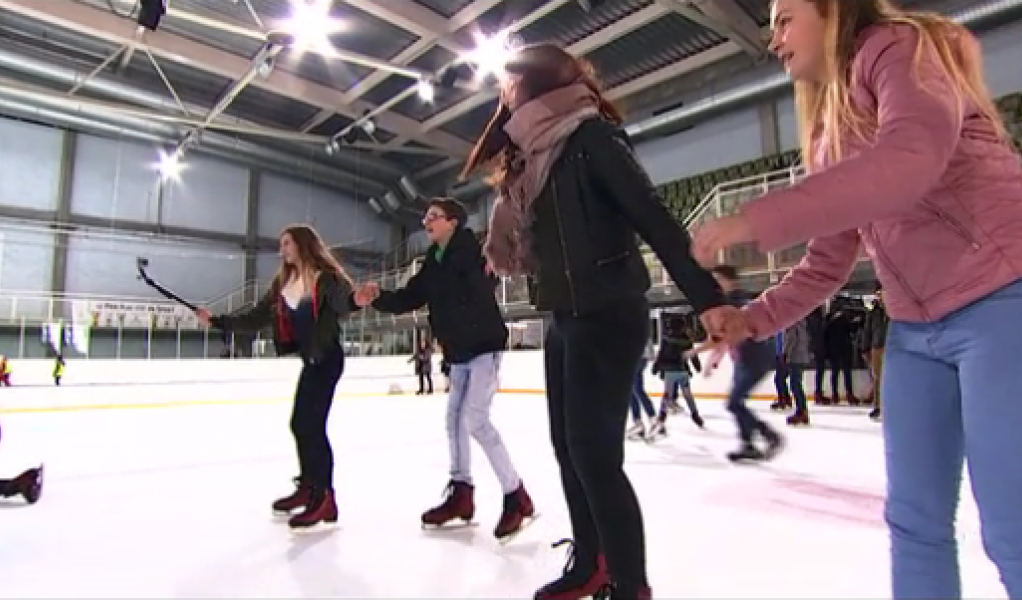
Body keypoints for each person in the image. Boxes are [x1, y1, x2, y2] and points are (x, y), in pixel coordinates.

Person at [691, 1, 1022, 597]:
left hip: (1003, 299)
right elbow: (824, 265)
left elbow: (908, 161)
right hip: (916, 331)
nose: (774, 41)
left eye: (785, 19)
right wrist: (750, 320)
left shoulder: (901, 49)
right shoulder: (827, 134)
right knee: (915, 523)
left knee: (1013, 525)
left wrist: (755, 220)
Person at [460, 42, 741, 600]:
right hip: (564, 314)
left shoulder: (591, 139)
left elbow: (653, 217)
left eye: (508, 83)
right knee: (567, 447)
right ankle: (590, 563)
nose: (502, 94)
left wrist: (707, 298)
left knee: (594, 455)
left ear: (533, 84)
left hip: (609, 311)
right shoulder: (531, 156)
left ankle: (631, 585)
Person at [354, 198, 534, 542]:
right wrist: (377, 297)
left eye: (433, 217)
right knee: (454, 420)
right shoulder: (433, 263)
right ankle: (461, 493)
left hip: (483, 347)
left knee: (476, 421)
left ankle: (517, 497)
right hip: (458, 352)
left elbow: (486, 278)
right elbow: (410, 297)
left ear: (453, 222)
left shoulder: (472, 251)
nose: (426, 222)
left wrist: (490, 269)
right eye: (426, 217)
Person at [198, 224, 356, 531]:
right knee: (300, 424)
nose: (281, 249)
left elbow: (344, 304)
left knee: (311, 426)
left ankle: (324, 497)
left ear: (302, 245)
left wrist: (358, 300)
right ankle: (310, 487)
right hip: (311, 360)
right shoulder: (286, 281)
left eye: (287, 243)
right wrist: (217, 321)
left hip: (327, 359)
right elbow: (256, 316)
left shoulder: (325, 278)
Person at [705, 265, 784, 461]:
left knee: (733, 403)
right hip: (745, 359)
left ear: (730, 281)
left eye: (718, 280)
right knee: (735, 403)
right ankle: (748, 444)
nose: (715, 285)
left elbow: (729, 335)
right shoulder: (733, 302)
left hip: (754, 359)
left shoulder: (736, 303)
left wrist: (713, 358)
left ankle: (768, 435)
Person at [861, 284, 888, 421]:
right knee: (877, 378)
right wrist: (865, 347)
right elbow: (867, 330)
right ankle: (878, 406)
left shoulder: (893, 310)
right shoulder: (873, 312)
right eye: (878, 293)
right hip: (877, 347)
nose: (880, 295)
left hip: (892, 347)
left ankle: (892, 405)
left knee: (891, 378)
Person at [782, 315, 812, 426]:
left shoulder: (792, 320)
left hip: (795, 356)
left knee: (795, 384)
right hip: (801, 355)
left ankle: (802, 411)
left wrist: (785, 354)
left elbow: (791, 338)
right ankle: (802, 411)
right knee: (796, 383)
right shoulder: (801, 320)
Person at [626, 340, 658, 441]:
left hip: (638, 355)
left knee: (637, 388)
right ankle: (638, 422)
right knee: (631, 389)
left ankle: (654, 420)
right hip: (637, 355)